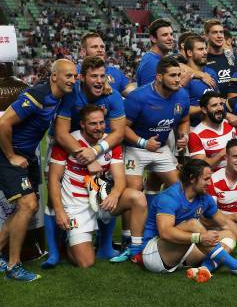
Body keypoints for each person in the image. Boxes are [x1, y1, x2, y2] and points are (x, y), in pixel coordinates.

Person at [0, 59, 77, 281]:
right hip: (8, 153)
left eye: (74, 76)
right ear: (54, 77)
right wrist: (12, 156)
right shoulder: (36, 95)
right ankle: (14, 266)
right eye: (68, 76)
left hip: (27, 155)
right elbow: (3, 124)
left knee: (28, 207)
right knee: (28, 204)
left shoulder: (64, 95)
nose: (72, 80)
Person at [48, 105, 147, 267]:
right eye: (93, 124)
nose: (99, 127)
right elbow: (54, 179)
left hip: (102, 199)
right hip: (76, 204)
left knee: (138, 197)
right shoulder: (68, 142)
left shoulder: (110, 142)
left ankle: (135, 249)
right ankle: (67, 240)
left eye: (101, 123)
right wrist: (59, 211)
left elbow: (120, 178)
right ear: (82, 124)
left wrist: (115, 194)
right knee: (86, 262)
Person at [142, 158, 237, 280]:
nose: (210, 183)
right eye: (206, 179)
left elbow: (226, 223)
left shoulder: (204, 197)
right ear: (192, 178)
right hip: (155, 256)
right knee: (193, 224)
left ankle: (204, 269)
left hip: (181, 255)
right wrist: (199, 238)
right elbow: (165, 233)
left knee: (229, 235)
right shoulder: (170, 197)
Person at [124, 57, 190, 193]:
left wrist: (184, 135)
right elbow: (121, 127)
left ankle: (153, 212)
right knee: (134, 192)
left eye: (179, 75)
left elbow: (184, 120)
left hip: (161, 147)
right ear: (159, 77)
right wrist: (143, 143)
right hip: (135, 148)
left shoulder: (182, 95)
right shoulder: (138, 97)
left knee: (180, 189)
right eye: (172, 75)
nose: (178, 79)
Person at [188, 91, 237, 171]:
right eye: (214, 105)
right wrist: (224, 152)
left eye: (221, 104)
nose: (220, 108)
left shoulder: (231, 124)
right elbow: (201, 169)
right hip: (215, 179)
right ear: (204, 110)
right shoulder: (195, 135)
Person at [183, 35, 218, 127]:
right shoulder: (183, 77)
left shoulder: (211, 73)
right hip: (192, 128)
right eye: (200, 49)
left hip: (214, 125)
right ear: (190, 52)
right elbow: (182, 109)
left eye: (205, 49)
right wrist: (208, 107)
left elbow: (218, 99)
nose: (205, 52)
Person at [203, 19, 237, 96]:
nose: (219, 36)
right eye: (215, 32)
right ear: (206, 36)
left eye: (221, 32)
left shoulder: (231, 57)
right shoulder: (202, 58)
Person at [135, 19, 175, 87]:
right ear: (153, 38)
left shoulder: (155, 58)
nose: (170, 38)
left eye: (171, 34)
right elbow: (150, 95)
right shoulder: (151, 64)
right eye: (165, 35)